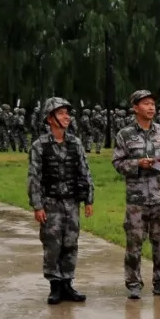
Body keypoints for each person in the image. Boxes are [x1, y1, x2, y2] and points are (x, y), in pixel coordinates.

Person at [112, 90, 160, 300]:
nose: (151, 108)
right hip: (137, 200)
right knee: (134, 242)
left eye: (153, 104)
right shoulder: (125, 135)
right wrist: (137, 164)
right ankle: (133, 283)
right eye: (146, 104)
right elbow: (117, 163)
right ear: (135, 108)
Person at [27, 97, 95, 305]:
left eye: (68, 113)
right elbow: (34, 177)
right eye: (62, 113)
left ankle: (67, 283)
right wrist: (37, 205)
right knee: (52, 244)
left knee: (71, 243)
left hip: (72, 203)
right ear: (50, 118)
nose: (67, 117)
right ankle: (55, 285)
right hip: (51, 203)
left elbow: (85, 171)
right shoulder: (40, 146)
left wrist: (88, 199)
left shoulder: (75, 143)